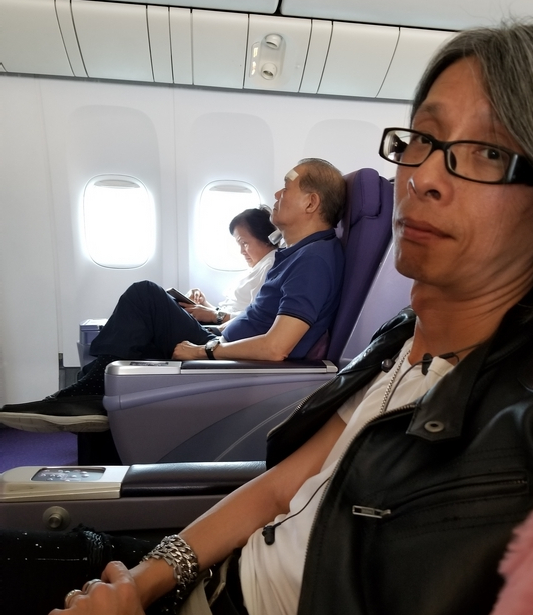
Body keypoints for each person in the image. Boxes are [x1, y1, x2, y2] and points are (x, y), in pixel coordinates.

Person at [3, 22, 533, 615]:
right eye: (423, 139)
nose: (424, 177)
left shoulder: (526, 447)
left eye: (489, 153)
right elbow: (278, 489)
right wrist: (139, 582)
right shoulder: (401, 342)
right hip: (188, 601)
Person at [0, 159, 346, 433]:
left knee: (145, 296)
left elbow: (276, 347)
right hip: (227, 344)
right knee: (150, 316)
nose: (277, 194)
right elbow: (262, 324)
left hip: (241, 366)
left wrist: (204, 350)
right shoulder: (298, 254)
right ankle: (91, 394)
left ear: (311, 202)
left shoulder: (314, 260)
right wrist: (218, 328)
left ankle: (86, 395)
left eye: (287, 186)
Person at [183, 205, 278, 326]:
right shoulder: (257, 266)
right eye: (239, 244)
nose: (241, 251)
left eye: (244, 243)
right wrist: (203, 305)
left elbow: (256, 317)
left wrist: (212, 315)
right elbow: (229, 312)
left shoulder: (270, 266)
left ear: (266, 239)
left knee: (158, 296)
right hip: (220, 324)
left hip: (225, 330)